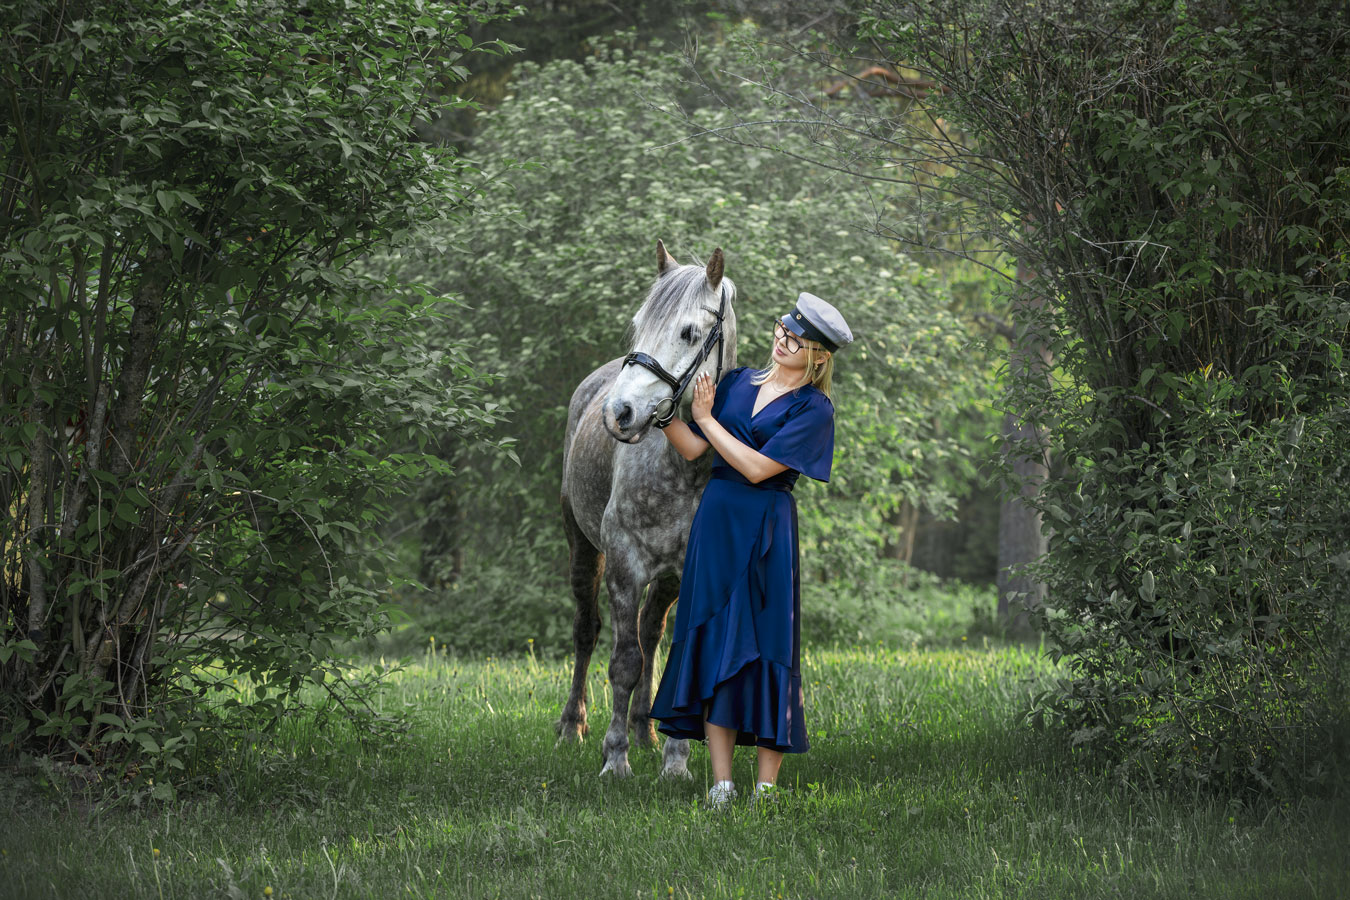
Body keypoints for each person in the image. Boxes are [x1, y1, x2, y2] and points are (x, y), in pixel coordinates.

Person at [650, 291, 853, 808]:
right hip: (716, 523)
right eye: (782, 331)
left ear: (819, 357)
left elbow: (760, 469)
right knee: (717, 639)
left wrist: (709, 419)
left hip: (766, 528)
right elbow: (697, 448)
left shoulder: (815, 409)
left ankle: (766, 790)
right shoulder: (738, 382)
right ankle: (720, 784)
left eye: (796, 340)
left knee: (766, 648)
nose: (782, 342)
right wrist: (663, 413)